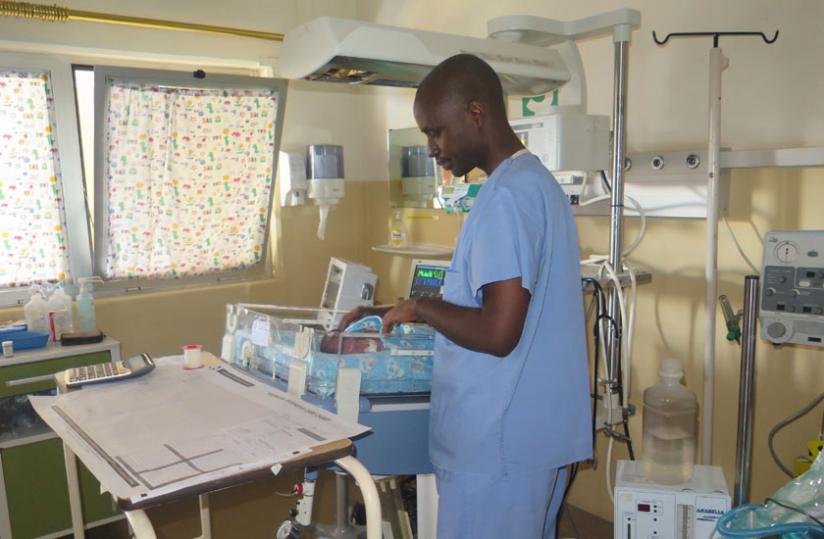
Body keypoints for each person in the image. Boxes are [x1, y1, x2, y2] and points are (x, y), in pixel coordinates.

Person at [340, 53, 591, 538]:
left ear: (476, 113)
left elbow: (498, 332)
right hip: (528, 443)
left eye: (436, 131)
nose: (431, 148)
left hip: (498, 449)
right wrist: (394, 310)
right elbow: (488, 304)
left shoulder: (507, 198)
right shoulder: (533, 183)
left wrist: (423, 306)